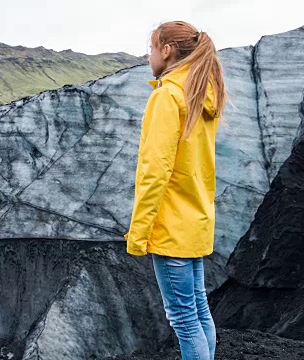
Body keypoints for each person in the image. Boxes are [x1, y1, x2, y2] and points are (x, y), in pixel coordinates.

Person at [123, 20, 226, 360]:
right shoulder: (201, 95)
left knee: (183, 317)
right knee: (198, 309)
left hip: (170, 226)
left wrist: (138, 232)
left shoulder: (168, 97)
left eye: (151, 48)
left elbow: (155, 171)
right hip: (194, 221)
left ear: (166, 51)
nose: (148, 55)